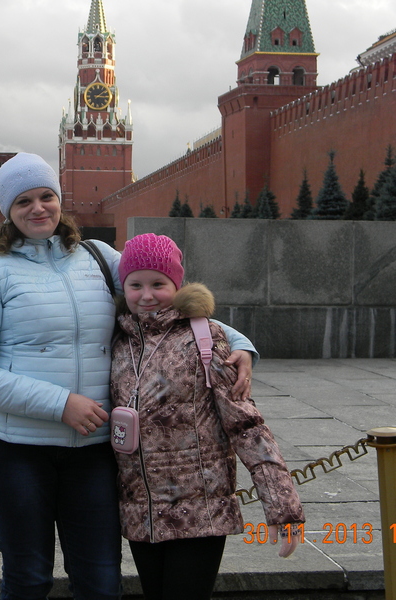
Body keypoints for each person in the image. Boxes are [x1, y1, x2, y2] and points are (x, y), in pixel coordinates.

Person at [0, 153, 259, 600]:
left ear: (59, 200)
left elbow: (164, 305)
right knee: (28, 577)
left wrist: (239, 342)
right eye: (23, 201)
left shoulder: (96, 257)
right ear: (7, 211)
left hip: (92, 451)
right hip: (16, 450)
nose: (38, 208)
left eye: (46, 196)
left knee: (99, 580)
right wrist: (61, 404)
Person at [110, 233, 305, 600]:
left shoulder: (204, 337)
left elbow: (246, 425)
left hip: (200, 512)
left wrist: (284, 507)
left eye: (158, 284)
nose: (147, 295)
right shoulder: (120, 342)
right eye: (136, 285)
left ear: (176, 285)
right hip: (141, 513)